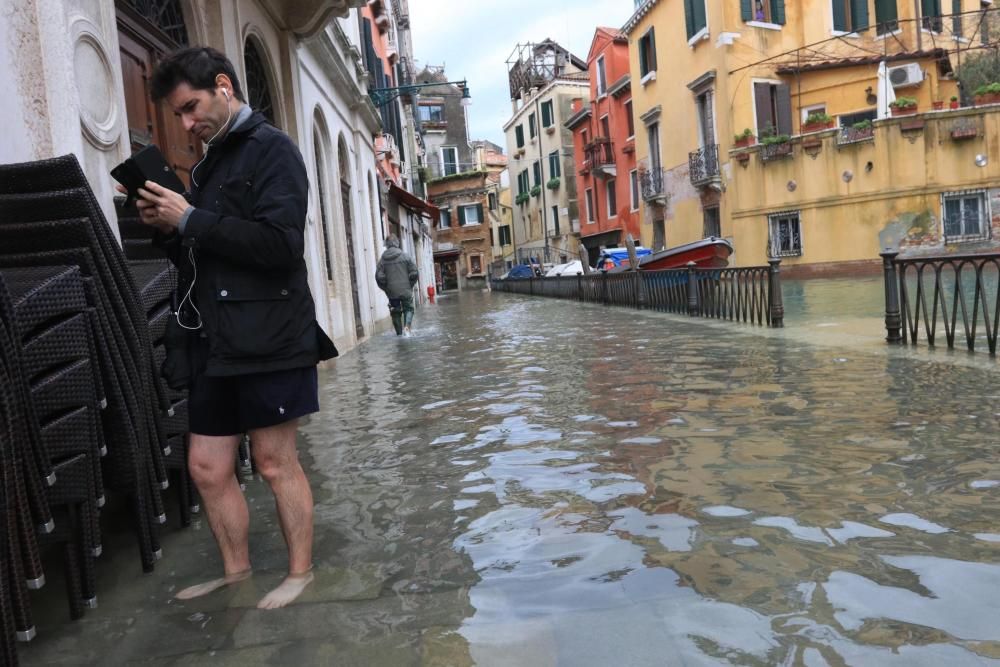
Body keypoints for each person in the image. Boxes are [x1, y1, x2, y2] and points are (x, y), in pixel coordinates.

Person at [132, 46, 336, 609]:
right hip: (211, 339)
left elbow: (279, 246)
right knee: (206, 466)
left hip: (270, 333)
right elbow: (207, 255)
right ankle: (237, 572)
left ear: (224, 86)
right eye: (178, 115)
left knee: (274, 462)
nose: (186, 123)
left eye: (191, 108)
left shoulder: (275, 151)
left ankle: (300, 573)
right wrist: (170, 229)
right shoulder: (209, 164)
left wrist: (191, 218)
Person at [375, 235, 419, 336]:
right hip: (406, 290)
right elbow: (415, 273)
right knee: (409, 308)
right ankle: (407, 327)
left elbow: (379, 277)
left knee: (395, 312)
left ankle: (399, 334)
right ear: (397, 243)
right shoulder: (406, 256)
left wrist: (386, 288)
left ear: (387, 245)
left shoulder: (382, 260)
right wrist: (410, 285)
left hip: (392, 292)